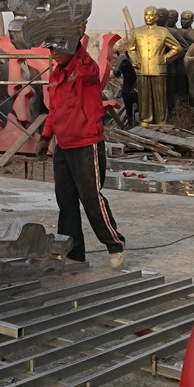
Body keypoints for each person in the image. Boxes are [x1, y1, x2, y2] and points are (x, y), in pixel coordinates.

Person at [35, 37, 126, 270]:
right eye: (51, 49)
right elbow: (54, 110)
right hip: (63, 146)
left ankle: (114, 244)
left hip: (86, 144)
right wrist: (45, 137)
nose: (53, 53)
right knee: (66, 201)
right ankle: (73, 252)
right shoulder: (56, 75)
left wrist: (76, 42)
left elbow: (86, 67)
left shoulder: (85, 68)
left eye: (58, 48)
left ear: (70, 46)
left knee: (91, 197)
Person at [124, 6, 183, 126]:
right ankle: (145, 120)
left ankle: (161, 121)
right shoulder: (137, 31)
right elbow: (131, 49)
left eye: (151, 15)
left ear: (156, 17)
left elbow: (177, 48)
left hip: (158, 68)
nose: (148, 18)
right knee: (144, 97)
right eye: (146, 15)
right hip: (142, 68)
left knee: (160, 96)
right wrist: (135, 60)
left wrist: (165, 58)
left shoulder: (163, 32)